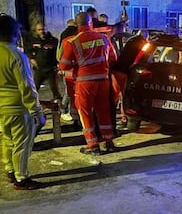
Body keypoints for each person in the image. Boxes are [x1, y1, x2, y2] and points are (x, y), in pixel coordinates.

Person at [59, 11, 118, 155]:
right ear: (91, 23)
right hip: (103, 81)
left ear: (77, 24)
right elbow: (113, 58)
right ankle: (108, 141)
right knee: (103, 111)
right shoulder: (104, 38)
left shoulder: (72, 42)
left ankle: (92, 144)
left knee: (85, 112)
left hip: (84, 82)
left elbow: (64, 66)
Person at [0, 14, 46, 190]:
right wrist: (36, 111)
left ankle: (10, 170)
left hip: (2, 109)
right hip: (18, 109)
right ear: (14, 33)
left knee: (8, 140)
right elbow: (27, 87)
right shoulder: (17, 56)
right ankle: (22, 178)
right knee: (22, 143)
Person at [24, 21, 62, 101]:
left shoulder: (53, 41)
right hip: (39, 69)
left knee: (54, 89)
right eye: (39, 30)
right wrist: (31, 59)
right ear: (36, 31)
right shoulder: (34, 41)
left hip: (50, 69)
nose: (42, 31)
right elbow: (28, 51)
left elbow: (58, 54)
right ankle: (33, 105)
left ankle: (59, 105)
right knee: (34, 88)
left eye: (43, 29)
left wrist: (58, 65)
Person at [57, 19, 79, 123]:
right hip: (77, 72)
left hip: (68, 72)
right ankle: (64, 111)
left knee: (70, 93)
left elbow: (59, 56)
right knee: (72, 95)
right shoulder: (77, 39)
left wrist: (61, 68)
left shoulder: (63, 37)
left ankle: (69, 113)